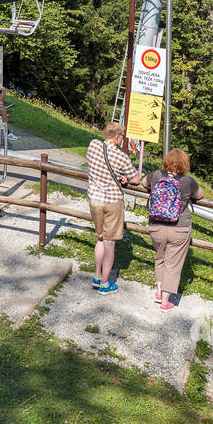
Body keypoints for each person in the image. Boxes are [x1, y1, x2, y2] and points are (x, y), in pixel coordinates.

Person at [85, 121, 142, 294]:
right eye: (122, 137)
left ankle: (96, 277)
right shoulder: (122, 157)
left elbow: (99, 167)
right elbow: (136, 180)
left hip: (94, 200)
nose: (122, 139)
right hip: (112, 202)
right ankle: (104, 284)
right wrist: (125, 177)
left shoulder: (93, 146)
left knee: (101, 238)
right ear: (117, 137)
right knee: (110, 244)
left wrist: (118, 176)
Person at [144, 149, 204, 311]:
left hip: (156, 225)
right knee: (173, 264)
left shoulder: (156, 175)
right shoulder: (188, 181)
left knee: (160, 257)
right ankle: (165, 301)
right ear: (185, 164)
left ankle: (158, 291)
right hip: (179, 227)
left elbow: (143, 182)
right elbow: (200, 195)